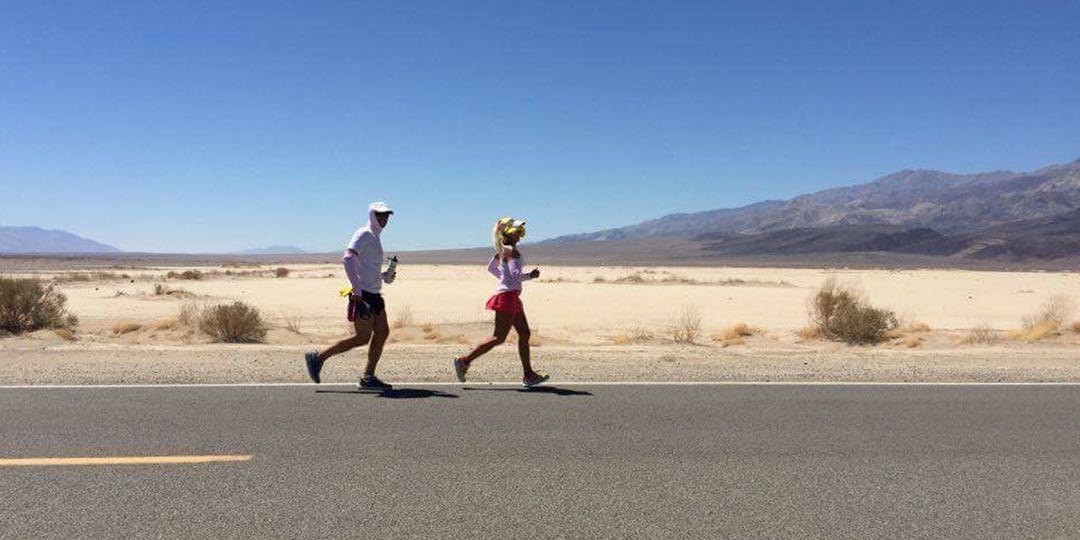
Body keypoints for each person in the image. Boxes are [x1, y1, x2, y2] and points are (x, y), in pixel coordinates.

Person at [304, 201, 397, 390]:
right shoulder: (364, 234)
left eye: (386, 215)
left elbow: (366, 267)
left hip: (374, 293)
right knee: (362, 337)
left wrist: (384, 276)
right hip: (362, 295)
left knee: (382, 332)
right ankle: (319, 358)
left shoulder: (375, 237)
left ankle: (368, 377)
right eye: (380, 215)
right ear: (372, 215)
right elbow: (347, 258)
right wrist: (356, 288)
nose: (384, 218)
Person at [453, 217, 550, 387]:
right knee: (498, 337)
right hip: (508, 298)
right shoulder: (511, 250)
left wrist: (504, 280)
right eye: (517, 231)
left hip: (510, 296)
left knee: (524, 334)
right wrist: (530, 276)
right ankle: (464, 361)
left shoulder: (502, 250)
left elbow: (492, 268)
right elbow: (514, 275)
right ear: (509, 232)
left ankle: (529, 375)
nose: (520, 234)